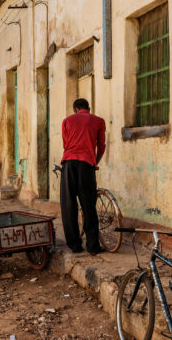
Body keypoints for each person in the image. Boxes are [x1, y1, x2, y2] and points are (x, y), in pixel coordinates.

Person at [60, 98, 106, 255]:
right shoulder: (99, 121)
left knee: (68, 204)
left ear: (75, 109)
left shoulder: (66, 121)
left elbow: (66, 145)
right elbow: (101, 146)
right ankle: (93, 246)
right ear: (89, 108)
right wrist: (95, 162)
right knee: (89, 206)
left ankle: (75, 245)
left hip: (69, 164)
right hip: (86, 165)